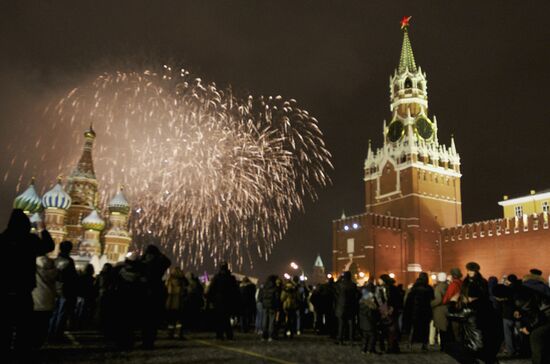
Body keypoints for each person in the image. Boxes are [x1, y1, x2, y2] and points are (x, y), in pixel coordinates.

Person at [2, 209, 54, 358]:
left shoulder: (2, 239)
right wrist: (42, 228)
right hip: (23, 292)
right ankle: (20, 354)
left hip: (4, 292)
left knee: (4, 327)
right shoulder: (30, 240)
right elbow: (49, 246)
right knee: (23, 328)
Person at [140, 245, 171, 349]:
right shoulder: (155, 264)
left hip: (149, 294)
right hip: (152, 294)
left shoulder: (153, 265)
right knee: (149, 320)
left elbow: (167, 261)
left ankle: (148, 341)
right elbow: (167, 261)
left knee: (149, 320)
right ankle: (148, 341)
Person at [49, 240, 79, 342]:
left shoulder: (55, 260)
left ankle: (50, 333)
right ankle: (57, 335)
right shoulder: (69, 261)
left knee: (54, 312)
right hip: (65, 290)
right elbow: (72, 278)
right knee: (61, 313)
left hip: (54, 289)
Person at [514, 283, 550, 364]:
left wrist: (529, 328)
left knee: (536, 339)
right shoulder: (537, 293)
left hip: (545, 322)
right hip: (545, 321)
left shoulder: (528, 299)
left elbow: (539, 318)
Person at [31, 244, 58, 350]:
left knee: (31, 325)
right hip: (48, 300)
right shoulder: (53, 266)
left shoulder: (32, 264)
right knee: (43, 326)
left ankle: (30, 346)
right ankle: (38, 344)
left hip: (34, 299)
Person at [207, 262, 240, 340]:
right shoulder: (231, 278)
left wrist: (210, 300)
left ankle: (219, 335)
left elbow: (211, 289)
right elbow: (235, 291)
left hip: (218, 302)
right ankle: (229, 335)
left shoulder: (217, 277)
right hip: (228, 302)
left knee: (219, 319)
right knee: (226, 319)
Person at [403, 272, 434, 351]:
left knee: (412, 328)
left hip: (414, 311)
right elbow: (432, 299)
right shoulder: (429, 288)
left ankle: (409, 343)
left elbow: (408, 300)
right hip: (425, 311)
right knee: (425, 328)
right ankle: (424, 344)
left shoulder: (414, 288)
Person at [375, 274, 402, 353]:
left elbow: (384, 301)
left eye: (380, 280)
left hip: (387, 311)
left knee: (389, 331)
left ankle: (391, 347)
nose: (378, 281)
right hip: (391, 311)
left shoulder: (385, 289)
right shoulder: (393, 288)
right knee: (391, 331)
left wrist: (387, 310)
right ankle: (393, 347)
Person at [335, 271, 359, 345]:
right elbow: (356, 295)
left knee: (341, 324)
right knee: (351, 324)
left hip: (341, 307)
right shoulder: (353, 285)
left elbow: (336, 293)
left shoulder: (340, 285)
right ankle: (351, 340)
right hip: (351, 306)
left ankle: (340, 340)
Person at [165, 266, 187, 339]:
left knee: (171, 320)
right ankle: (178, 334)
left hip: (171, 303)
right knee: (179, 321)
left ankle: (170, 334)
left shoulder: (169, 280)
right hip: (180, 303)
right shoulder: (182, 281)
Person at [359, 283, 380, 354]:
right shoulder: (371, 299)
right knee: (372, 336)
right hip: (370, 321)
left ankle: (363, 349)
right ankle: (370, 349)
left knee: (365, 336)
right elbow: (372, 312)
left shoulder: (362, 299)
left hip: (363, 322)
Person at [74, 263, 96, 330]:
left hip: (79, 296)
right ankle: (81, 324)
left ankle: (76, 324)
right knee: (83, 311)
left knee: (77, 310)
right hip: (86, 296)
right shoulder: (92, 279)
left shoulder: (81, 277)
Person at [431, 272, 449, 350]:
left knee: (441, 329)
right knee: (446, 329)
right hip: (448, 308)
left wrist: (431, 304)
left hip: (440, 310)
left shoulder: (438, 288)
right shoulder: (448, 286)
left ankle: (443, 346)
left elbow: (438, 299)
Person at [261, 275, 281, 341]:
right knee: (271, 321)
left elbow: (261, 297)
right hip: (272, 306)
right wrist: (277, 307)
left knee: (264, 320)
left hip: (265, 306)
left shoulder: (264, 287)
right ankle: (270, 335)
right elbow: (277, 298)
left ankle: (264, 335)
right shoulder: (274, 288)